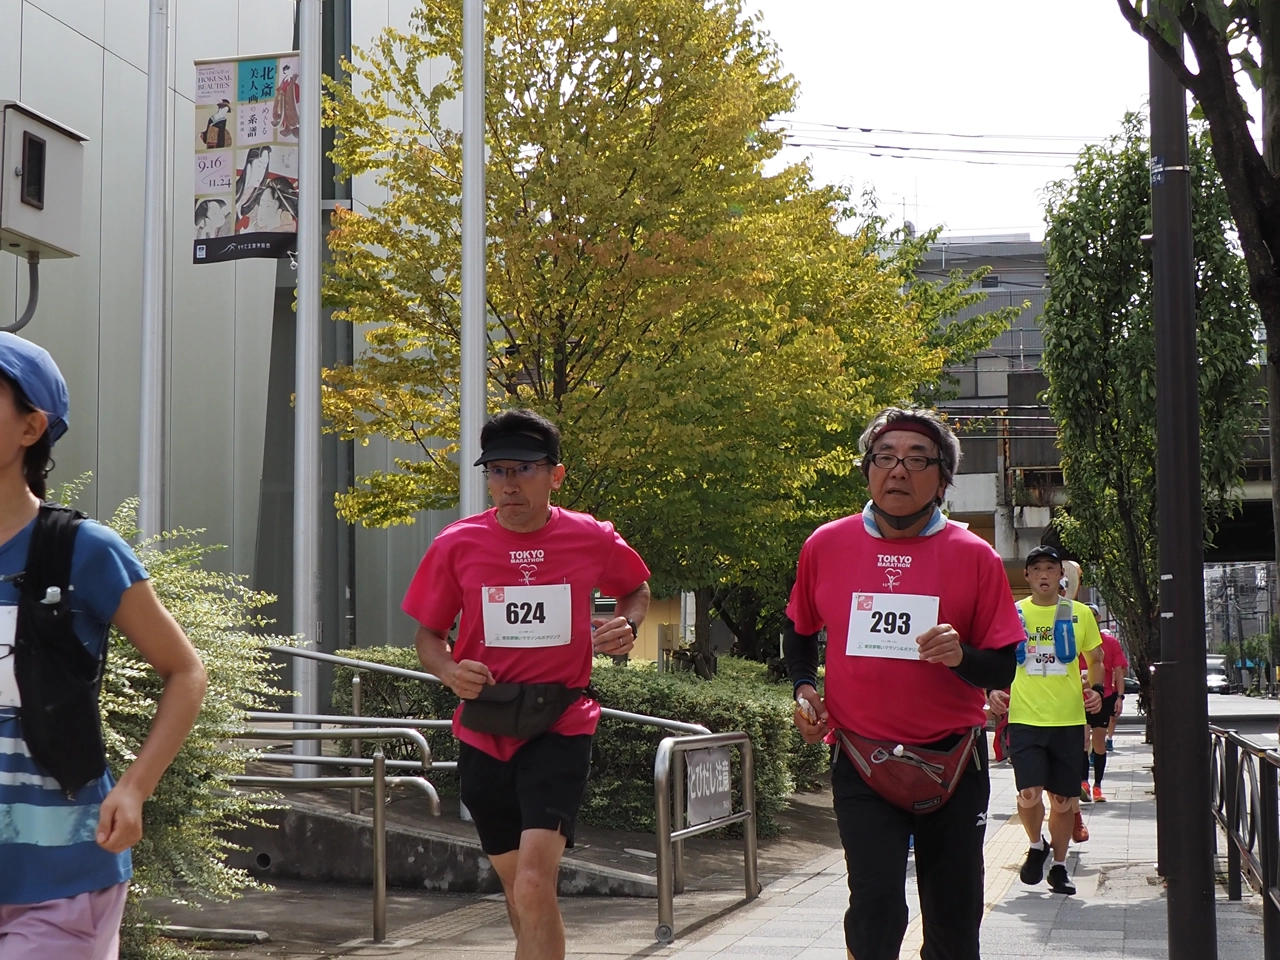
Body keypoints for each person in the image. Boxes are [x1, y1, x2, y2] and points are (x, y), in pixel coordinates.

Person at [403, 409, 650, 960]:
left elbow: (636, 588)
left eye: (524, 469)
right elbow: (428, 636)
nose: (509, 484)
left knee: (535, 884)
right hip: (484, 725)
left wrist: (627, 624)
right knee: (520, 890)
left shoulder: (590, 536)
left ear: (555, 475)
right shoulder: (457, 544)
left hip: (560, 721)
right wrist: (449, 671)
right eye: (497, 471)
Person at [785, 406, 1023, 960]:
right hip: (861, 759)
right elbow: (798, 630)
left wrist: (960, 656)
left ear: (942, 480)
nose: (898, 470)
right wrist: (803, 688)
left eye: (918, 459)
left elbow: (1002, 666)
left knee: (954, 923)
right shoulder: (825, 545)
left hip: (953, 762)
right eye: (885, 457)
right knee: (876, 911)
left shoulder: (975, 556)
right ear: (867, 471)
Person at [0, 333, 207, 959]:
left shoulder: (83, 550)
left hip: (63, 874)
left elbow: (185, 671)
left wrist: (135, 788)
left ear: (31, 427)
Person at [988, 545, 1104, 897]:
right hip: (1025, 719)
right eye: (1036, 568)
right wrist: (992, 690)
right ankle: (1036, 844)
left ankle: (1059, 866)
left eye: (1050, 569)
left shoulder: (1078, 613)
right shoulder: (1014, 613)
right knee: (1028, 793)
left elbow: (1096, 658)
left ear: (1060, 575)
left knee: (1064, 800)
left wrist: (1097, 689)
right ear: (1026, 575)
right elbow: (995, 658)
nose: (1043, 574)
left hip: (1068, 720)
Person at [1078, 604, 1128, 798]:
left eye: (1093, 615)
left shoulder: (1110, 642)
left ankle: (1097, 785)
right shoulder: (1074, 639)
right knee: (1083, 740)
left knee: (1098, 743)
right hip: (1079, 697)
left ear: (1098, 619)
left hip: (1103, 697)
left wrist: (1120, 697)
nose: (1089, 619)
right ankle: (1083, 783)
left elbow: (1119, 671)